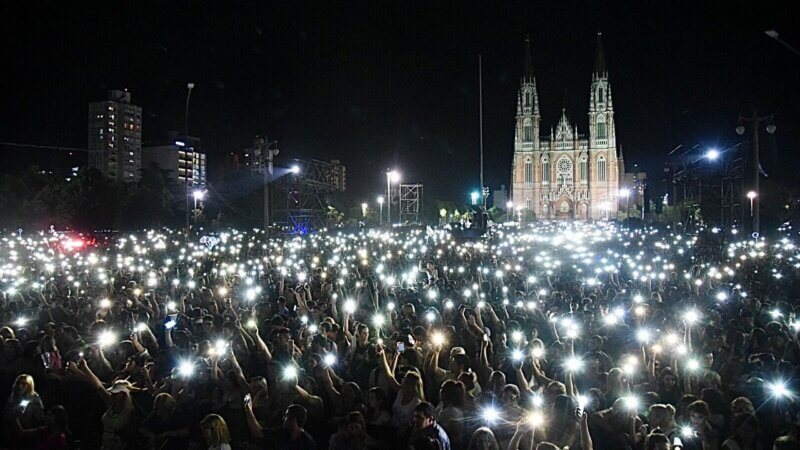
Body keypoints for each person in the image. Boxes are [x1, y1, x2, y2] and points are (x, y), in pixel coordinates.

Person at [245, 402, 316, 449]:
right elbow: (258, 432)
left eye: (286, 416)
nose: (283, 418)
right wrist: (249, 409)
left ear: (293, 420)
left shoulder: (308, 444)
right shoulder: (283, 432)